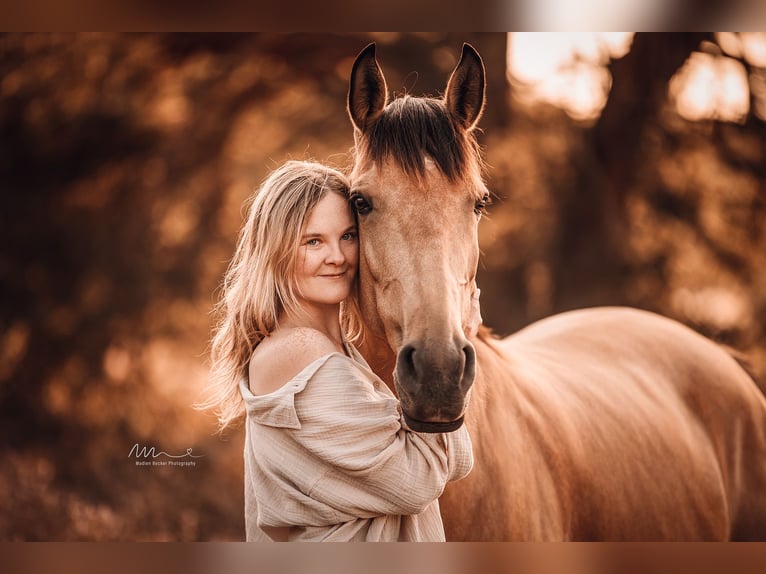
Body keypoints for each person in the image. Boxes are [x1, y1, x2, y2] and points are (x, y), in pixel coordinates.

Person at [203, 160, 477, 542]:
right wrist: (461, 330)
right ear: (276, 251)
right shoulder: (301, 351)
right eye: (313, 241)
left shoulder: (340, 351)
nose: (337, 256)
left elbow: (457, 461)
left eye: (347, 236)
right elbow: (417, 482)